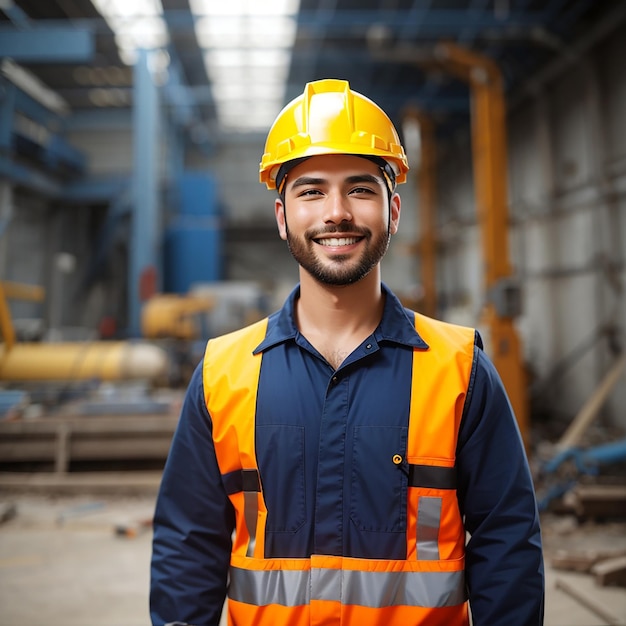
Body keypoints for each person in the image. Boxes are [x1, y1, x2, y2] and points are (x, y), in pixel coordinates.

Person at [150, 78, 544, 626]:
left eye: (360, 188)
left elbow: (507, 543)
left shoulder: (459, 370)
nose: (336, 212)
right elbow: (187, 549)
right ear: (283, 216)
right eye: (311, 191)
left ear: (394, 210)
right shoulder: (223, 374)